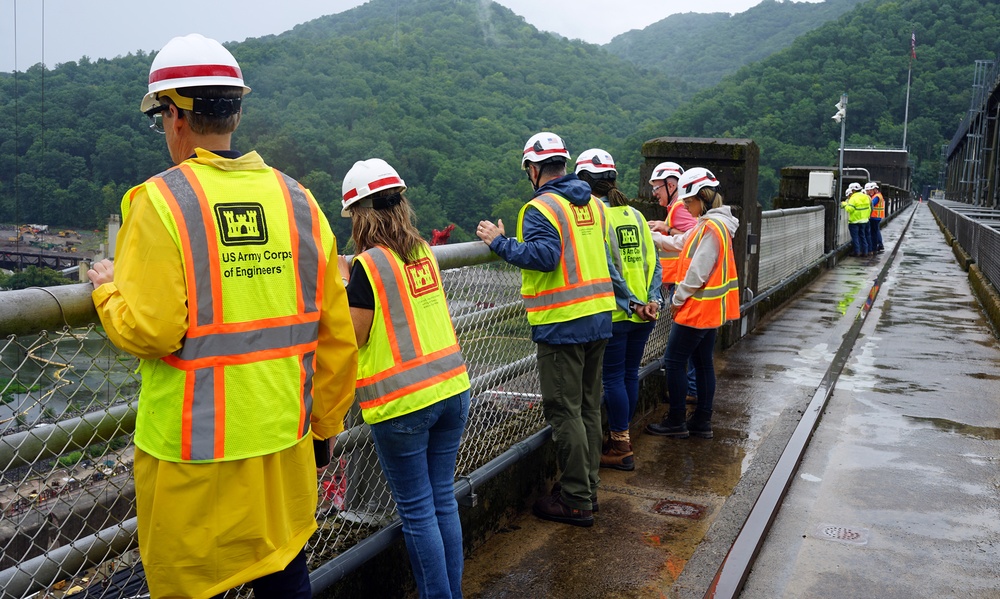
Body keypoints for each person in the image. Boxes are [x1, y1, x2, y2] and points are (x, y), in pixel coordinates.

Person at [86, 34, 358, 599]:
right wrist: (326, 428)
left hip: (194, 455)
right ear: (235, 110)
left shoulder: (159, 201)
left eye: (161, 114)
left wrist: (108, 291)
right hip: (284, 440)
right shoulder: (299, 201)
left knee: (190, 586)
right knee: (283, 568)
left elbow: (153, 329)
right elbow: (336, 340)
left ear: (176, 115)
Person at [339, 158, 471, 599]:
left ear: (360, 214)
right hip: (452, 389)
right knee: (442, 501)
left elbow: (353, 334)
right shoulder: (423, 253)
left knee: (417, 512)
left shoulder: (366, 267)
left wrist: (343, 287)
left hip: (403, 404)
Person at [476, 132, 615, 527]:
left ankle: (575, 500)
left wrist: (500, 242)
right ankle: (587, 489)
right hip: (599, 316)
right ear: (565, 164)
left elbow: (543, 256)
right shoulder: (592, 204)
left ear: (534, 169)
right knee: (588, 407)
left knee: (564, 411)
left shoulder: (541, 208)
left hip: (562, 323)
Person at [575, 149, 661, 472]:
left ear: (585, 181)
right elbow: (655, 263)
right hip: (644, 314)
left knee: (612, 379)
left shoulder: (597, 217)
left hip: (618, 312)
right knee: (628, 375)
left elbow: (609, 269)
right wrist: (651, 301)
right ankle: (623, 438)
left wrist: (631, 304)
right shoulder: (636, 216)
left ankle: (620, 445)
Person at [645, 167, 740, 439]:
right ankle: (701, 421)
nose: (686, 207)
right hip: (709, 309)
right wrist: (648, 234)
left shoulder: (711, 227)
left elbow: (698, 270)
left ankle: (676, 420)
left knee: (674, 361)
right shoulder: (712, 224)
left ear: (703, 197)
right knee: (702, 363)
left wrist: (677, 298)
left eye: (689, 202)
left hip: (696, 308)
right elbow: (680, 242)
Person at [647, 161, 699, 403]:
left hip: (683, 282)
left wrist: (665, 229)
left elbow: (694, 239)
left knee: (681, 348)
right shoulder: (677, 208)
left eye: (657, 187)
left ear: (671, 185)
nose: (654, 193)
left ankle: (688, 391)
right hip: (680, 280)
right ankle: (692, 388)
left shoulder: (678, 207)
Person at [842, 182, 872, 257]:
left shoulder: (853, 198)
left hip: (854, 221)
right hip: (864, 220)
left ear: (853, 190)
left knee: (855, 238)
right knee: (863, 236)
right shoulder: (866, 197)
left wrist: (844, 204)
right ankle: (865, 252)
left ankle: (857, 252)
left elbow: (850, 209)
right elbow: (869, 208)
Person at [866, 181, 885, 253]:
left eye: (871, 190)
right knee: (876, 231)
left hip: (874, 216)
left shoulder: (876, 196)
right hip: (877, 216)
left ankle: (877, 246)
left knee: (874, 232)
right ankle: (879, 244)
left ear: (875, 189)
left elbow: (872, 204)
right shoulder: (878, 195)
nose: (870, 191)